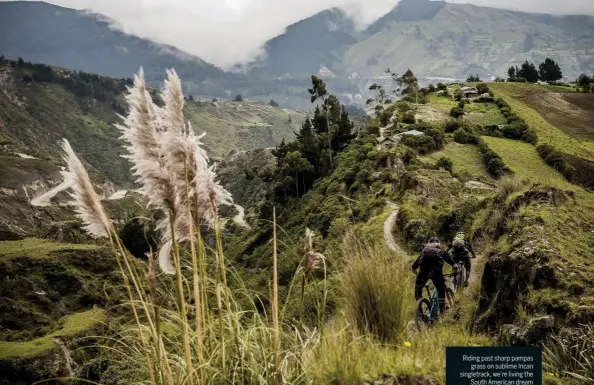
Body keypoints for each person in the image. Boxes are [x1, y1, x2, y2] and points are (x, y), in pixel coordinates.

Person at [412, 236, 456, 314]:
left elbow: (413, 268)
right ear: (438, 244)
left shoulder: (424, 251)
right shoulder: (441, 251)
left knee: (418, 289)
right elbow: (454, 264)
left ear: (428, 244)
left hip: (423, 272)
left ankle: (420, 311)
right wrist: (455, 269)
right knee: (441, 289)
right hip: (436, 272)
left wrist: (418, 275)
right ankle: (442, 310)